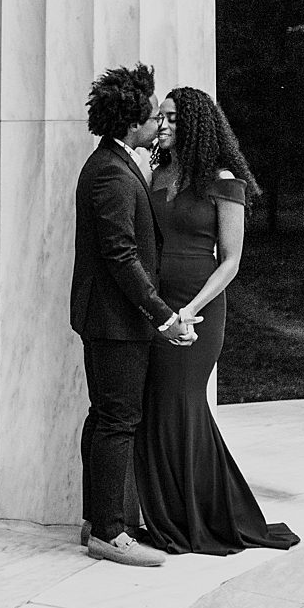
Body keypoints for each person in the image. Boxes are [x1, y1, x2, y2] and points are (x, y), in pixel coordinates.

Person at [132, 87, 300, 555]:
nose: (161, 126)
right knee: (159, 408)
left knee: (179, 403)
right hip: (158, 303)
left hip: (198, 306)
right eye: (159, 118)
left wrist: (191, 309)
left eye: (170, 119)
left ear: (195, 125)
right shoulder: (158, 172)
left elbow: (230, 261)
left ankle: (195, 519)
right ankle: (177, 514)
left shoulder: (223, 180)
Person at [71, 64, 194, 568]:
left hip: (112, 320)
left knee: (106, 417)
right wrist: (164, 316)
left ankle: (97, 519)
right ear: (131, 123)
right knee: (118, 420)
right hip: (115, 323)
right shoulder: (110, 173)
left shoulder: (114, 164)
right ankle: (108, 532)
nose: (156, 125)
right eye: (151, 117)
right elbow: (122, 255)